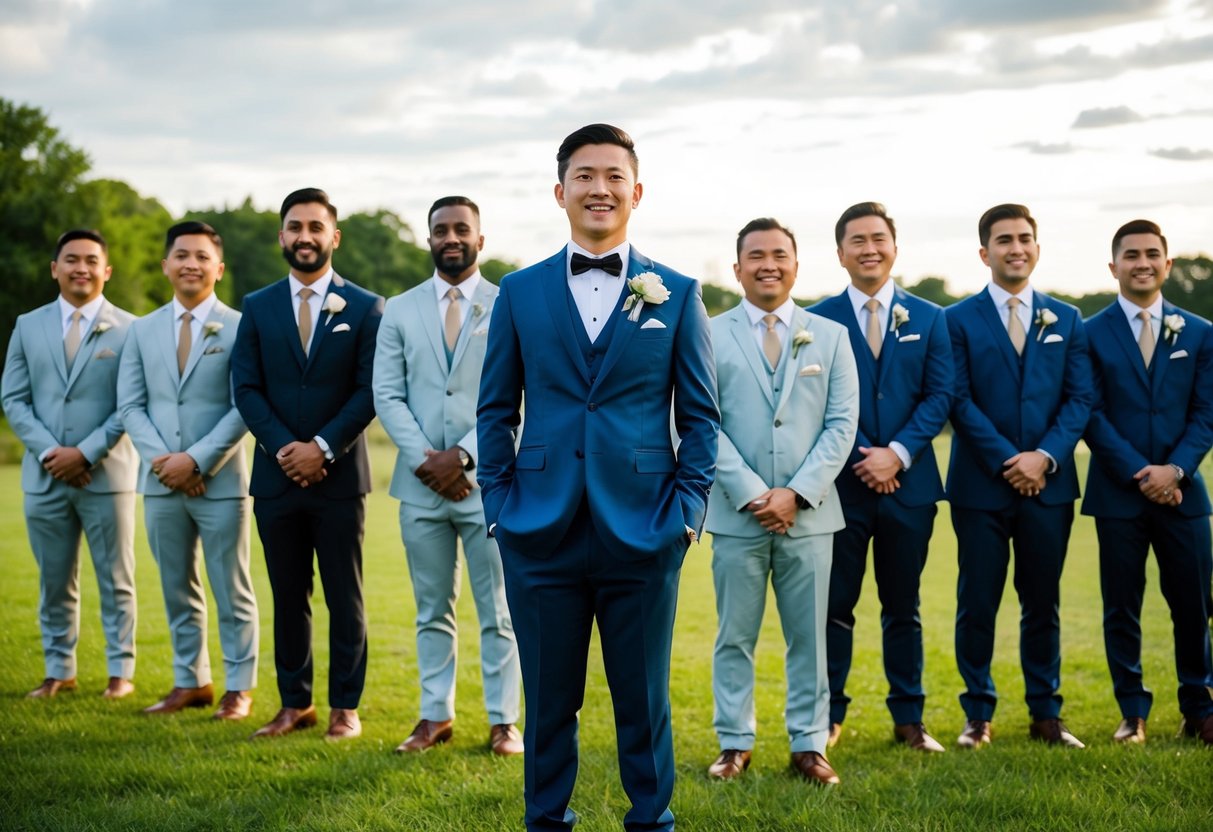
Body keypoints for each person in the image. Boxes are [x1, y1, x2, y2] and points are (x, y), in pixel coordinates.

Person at [476, 124, 719, 831]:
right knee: (550, 700)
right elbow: (494, 408)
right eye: (584, 175)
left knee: (642, 700)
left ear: (635, 192)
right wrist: (499, 504)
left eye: (613, 175)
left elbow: (700, 417)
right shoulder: (518, 293)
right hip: (536, 529)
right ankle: (546, 822)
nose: (599, 188)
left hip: (644, 528)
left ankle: (651, 822)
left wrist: (685, 513)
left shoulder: (676, 293)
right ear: (560, 192)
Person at [705, 218, 858, 784]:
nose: (768, 264)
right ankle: (734, 741)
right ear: (737, 266)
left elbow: (842, 424)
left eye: (779, 254)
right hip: (737, 514)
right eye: (756, 255)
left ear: (796, 264)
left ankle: (809, 744)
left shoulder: (831, 335)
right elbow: (698, 422)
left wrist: (795, 493)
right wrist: (751, 493)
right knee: (734, 636)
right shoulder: (708, 333)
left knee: (809, 638)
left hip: (810, 516)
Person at [231, 188, 383, 741]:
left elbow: (370, 390)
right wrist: (283, 449)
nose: (305, 237)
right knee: (287, 595)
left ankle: (346, 706)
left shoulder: (366, 307)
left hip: (340, 477)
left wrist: (321, 447)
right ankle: (294, 704)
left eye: (315, 227)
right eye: (294, 227)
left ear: (333, 237)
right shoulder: (257, 305)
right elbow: (245, 387)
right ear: (281, 236)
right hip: (275, 478)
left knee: (346, 596)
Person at [373, 196, 522, 756]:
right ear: (429, 239)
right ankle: (434, 716)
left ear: (481, 239)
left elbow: (519, 394)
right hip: (419, 486)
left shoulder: (508, 305)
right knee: (431, 608)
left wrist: (461, 456)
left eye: (462, 229)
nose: (451, 237)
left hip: (490, 484)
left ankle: (504, 720)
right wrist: (427, 461)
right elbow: (386, 393)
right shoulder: (400, 309)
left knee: (500, 610)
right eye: (441, 230)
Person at [945, 203, 1093, 749]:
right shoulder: (955, 320)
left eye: (1025, 238)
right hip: (981, 486)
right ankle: (977, 714)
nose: (1016, 247)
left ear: (1037, 247)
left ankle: (1045, 715)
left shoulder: (1068, 318)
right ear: (984, 252)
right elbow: (957, 398)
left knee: (1043, 601)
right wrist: (1012, 460)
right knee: (977, 601)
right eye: (1004, 239)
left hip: (1049, 486)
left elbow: (1080, 399)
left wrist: (1044, 458)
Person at [810, 202, 953, 753]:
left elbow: (940, 396)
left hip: (910, 488)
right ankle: (828, 717)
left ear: (894, 246)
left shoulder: (930, 317)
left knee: (904, 606)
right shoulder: (817, 321)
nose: (869, 249)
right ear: (841, 252)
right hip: (839, 491)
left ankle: (909, 719)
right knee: (834, 608)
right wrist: (859, 462)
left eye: (878, 239)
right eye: (857, 241)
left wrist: (896, 453)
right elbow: (812, 403)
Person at [117, 221, 259, 720]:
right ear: (166, 265)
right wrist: (165, 462)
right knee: (177, 587)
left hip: (220, 481)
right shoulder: (141, 329)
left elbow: (245, 404)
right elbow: (130, 405)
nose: (190, 264)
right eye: (181, 255)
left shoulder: (242, 326)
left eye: (201, 256)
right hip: (159, 482)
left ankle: (239, 687)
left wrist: (197, 460)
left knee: (231, 586)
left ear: (218, 267)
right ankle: (190, 681)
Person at [1081, 219, 1213, 745]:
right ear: (1113, 266)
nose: (1142, 262)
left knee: (1193, 605)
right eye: (1131, 254)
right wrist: (1142, 474)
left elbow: (1206, 413)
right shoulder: (1087, 333)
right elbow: (1090, 412)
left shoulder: (1200, 333)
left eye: (1152, 253)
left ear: (1167, 263)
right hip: (1118, 495)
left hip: (1184, 495)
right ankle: (1131, 712)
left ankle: (1199, 706)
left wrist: (1175, 471)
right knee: (1122, 605)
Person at [2, 229, 138, 700]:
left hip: (108, 474)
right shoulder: (27, 325)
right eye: (71, 259)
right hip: (45, 477)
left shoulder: (130, 329)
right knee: (54, 581)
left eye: (91, 260)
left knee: (116, 579)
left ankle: (121, 672)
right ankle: (59, 669)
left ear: (107, 271)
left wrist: (86, 452)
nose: (81, 268)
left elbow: (131, 403)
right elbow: (13, 399)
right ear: (54, 268)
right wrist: (49, 453)